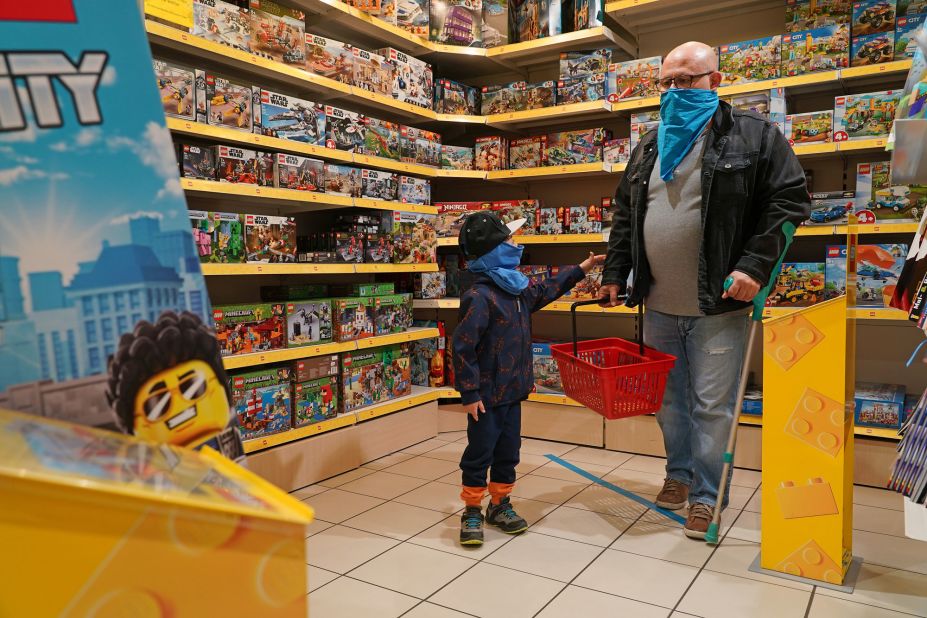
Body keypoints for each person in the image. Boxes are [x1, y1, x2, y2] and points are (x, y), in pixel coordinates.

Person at [598, 41, 811, 538]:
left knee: (711, 406)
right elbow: (626, 214)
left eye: (686, 80)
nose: (674, 91)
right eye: (666, 83)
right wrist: (615, 272)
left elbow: (789, 201)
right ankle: (679, 475)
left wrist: (756, 267)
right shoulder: (650, 145)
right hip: (657, 304)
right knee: (669, 404)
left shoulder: (754, 136)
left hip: (720, 306)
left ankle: (706, 496)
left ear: (715, 80)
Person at [453, 211, 604, 546]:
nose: (515, 244)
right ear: (493, 251)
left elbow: (547, 289)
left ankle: (500, 504)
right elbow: (462, 347)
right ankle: (472, 509)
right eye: (509, 240)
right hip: (486, 397)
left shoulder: (517, 289)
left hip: (514, 392)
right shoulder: (479, 297)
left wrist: (580, 270)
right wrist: (470, 392)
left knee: (509, 452)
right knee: (480, 452)